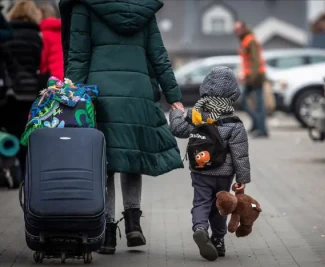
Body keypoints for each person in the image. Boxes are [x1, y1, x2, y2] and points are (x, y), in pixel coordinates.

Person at [59, 0, 184, 254]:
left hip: (100, 94)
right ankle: (133, 223)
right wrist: (173, 95)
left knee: (104, 161)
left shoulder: (85, 7)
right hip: (136, 94)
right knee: (130, 156)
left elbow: (79, 55)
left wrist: (70, 96)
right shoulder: (143, 9)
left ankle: (107, 231)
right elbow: (158, 54)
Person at [169, 66, 250, 261]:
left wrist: (176, 112)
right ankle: (219, 241)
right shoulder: (234, 122)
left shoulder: (196, 115)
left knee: (201, 202)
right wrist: (242, 179)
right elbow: (240, 154)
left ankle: (200, 228)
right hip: (224, 174)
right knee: (221, 205)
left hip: (200, 170)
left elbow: (178, 129)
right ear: (233, 92)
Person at [0, 0, 42, 175]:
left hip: (9, 92)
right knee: (25, 133)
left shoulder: (6, 34)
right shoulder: (36, 37)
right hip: (30, 91)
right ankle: (25, 173)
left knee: (9, 133)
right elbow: (40, 64)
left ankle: (10, 168)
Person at [234, 20, 269, 138]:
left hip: (256, 76)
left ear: (244, 28)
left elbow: (256, 60)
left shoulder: (250, 40)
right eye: (235, 30)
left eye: (238, 29)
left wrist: (252, 76)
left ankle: (262, 129)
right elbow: (246, 61)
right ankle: (257, 125)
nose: (236, 32)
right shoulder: (245, 40)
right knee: (245, 101)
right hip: (250, 76)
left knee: (258, 104)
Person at [39, 5, 63, 80]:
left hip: (53, 76)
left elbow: (43, 59)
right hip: (67, 72)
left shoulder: (43, 34)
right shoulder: (64, 30)